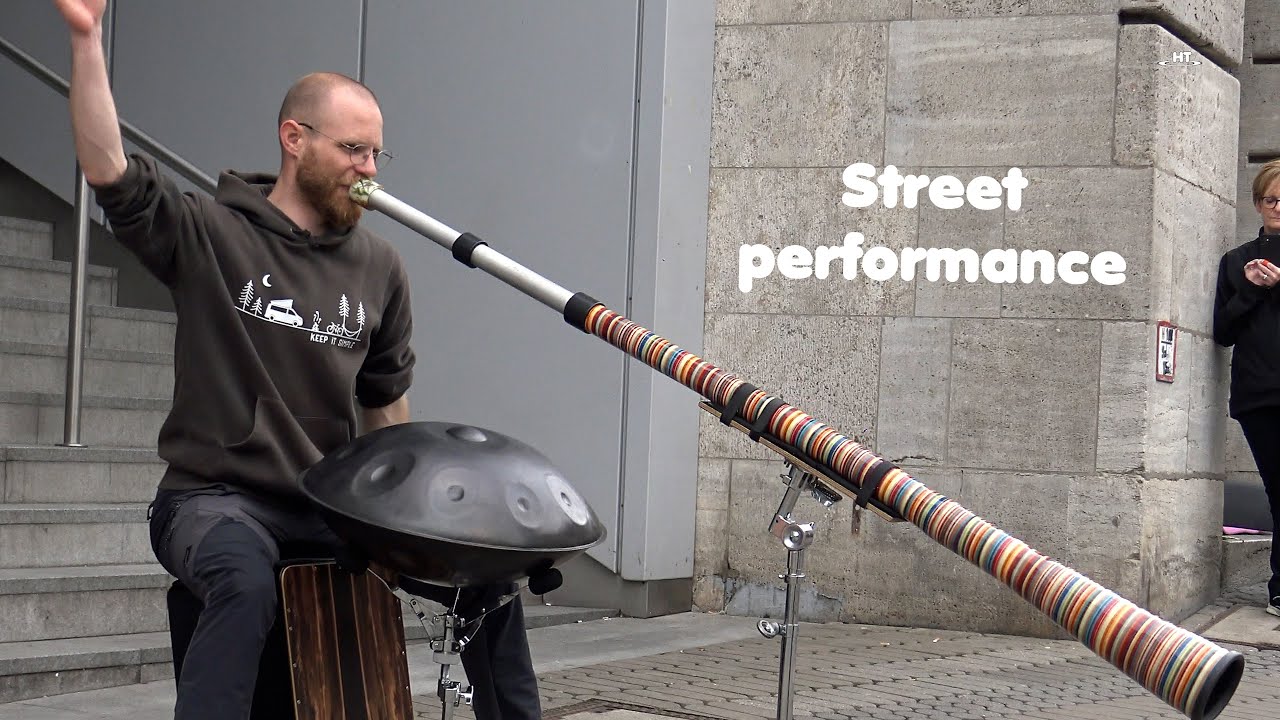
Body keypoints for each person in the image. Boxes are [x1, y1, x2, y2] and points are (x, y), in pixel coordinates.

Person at [53, 1, 541, 717]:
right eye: (351, 150)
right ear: (294, 139)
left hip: (330, 505)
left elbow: (383, 403)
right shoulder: (209, 232)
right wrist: (88, 41)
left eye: (376, 153)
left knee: (488, 577)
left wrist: (410, 518)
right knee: (245, 583)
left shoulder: (380, 266)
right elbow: (108, 169)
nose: (368, 168)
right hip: (213, 500)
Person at [1213, 158, 1280, 618]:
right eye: (1273, 199)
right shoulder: (1238, 261)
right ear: (1258, 203)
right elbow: (1222, 330)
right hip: (1261, 397)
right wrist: (1251, 289)